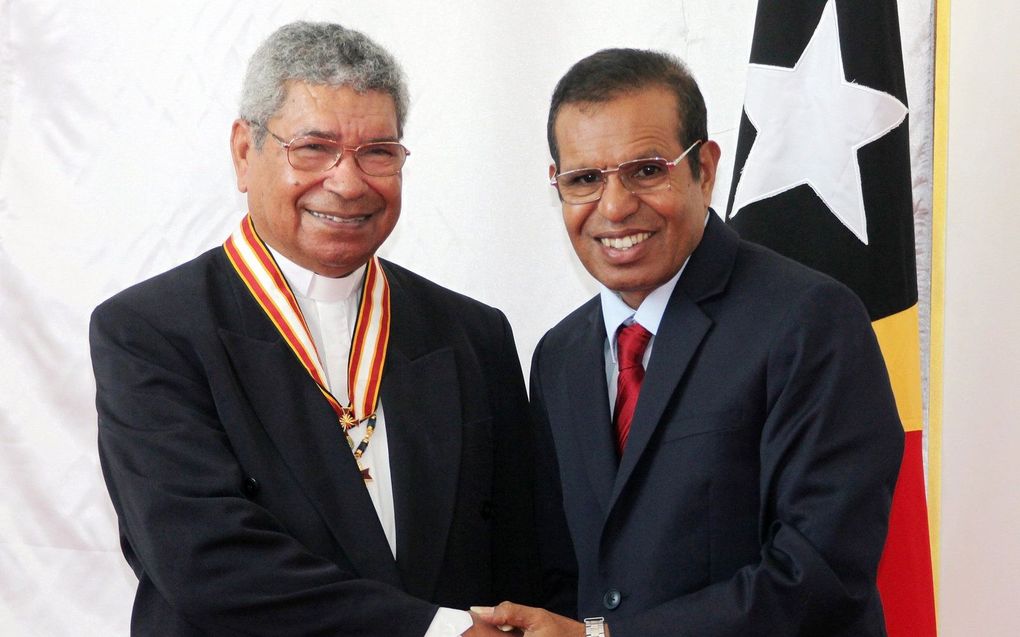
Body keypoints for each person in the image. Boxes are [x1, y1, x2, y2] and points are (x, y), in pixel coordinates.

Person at [90, 21, 537, 636]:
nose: (348, 182)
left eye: (377, 152)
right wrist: (436, 632)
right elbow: (206, 563)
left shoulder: (473, 335)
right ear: (245, 153)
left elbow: (521, 558)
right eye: (313, 148)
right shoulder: (149, 332)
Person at [473, 48, 904, 636]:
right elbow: (561, 574)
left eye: (647, 170)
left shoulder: (810, 322)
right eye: (584, 180)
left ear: (704, 169)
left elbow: (819, 573)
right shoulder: (559, 355)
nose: (616, 206)